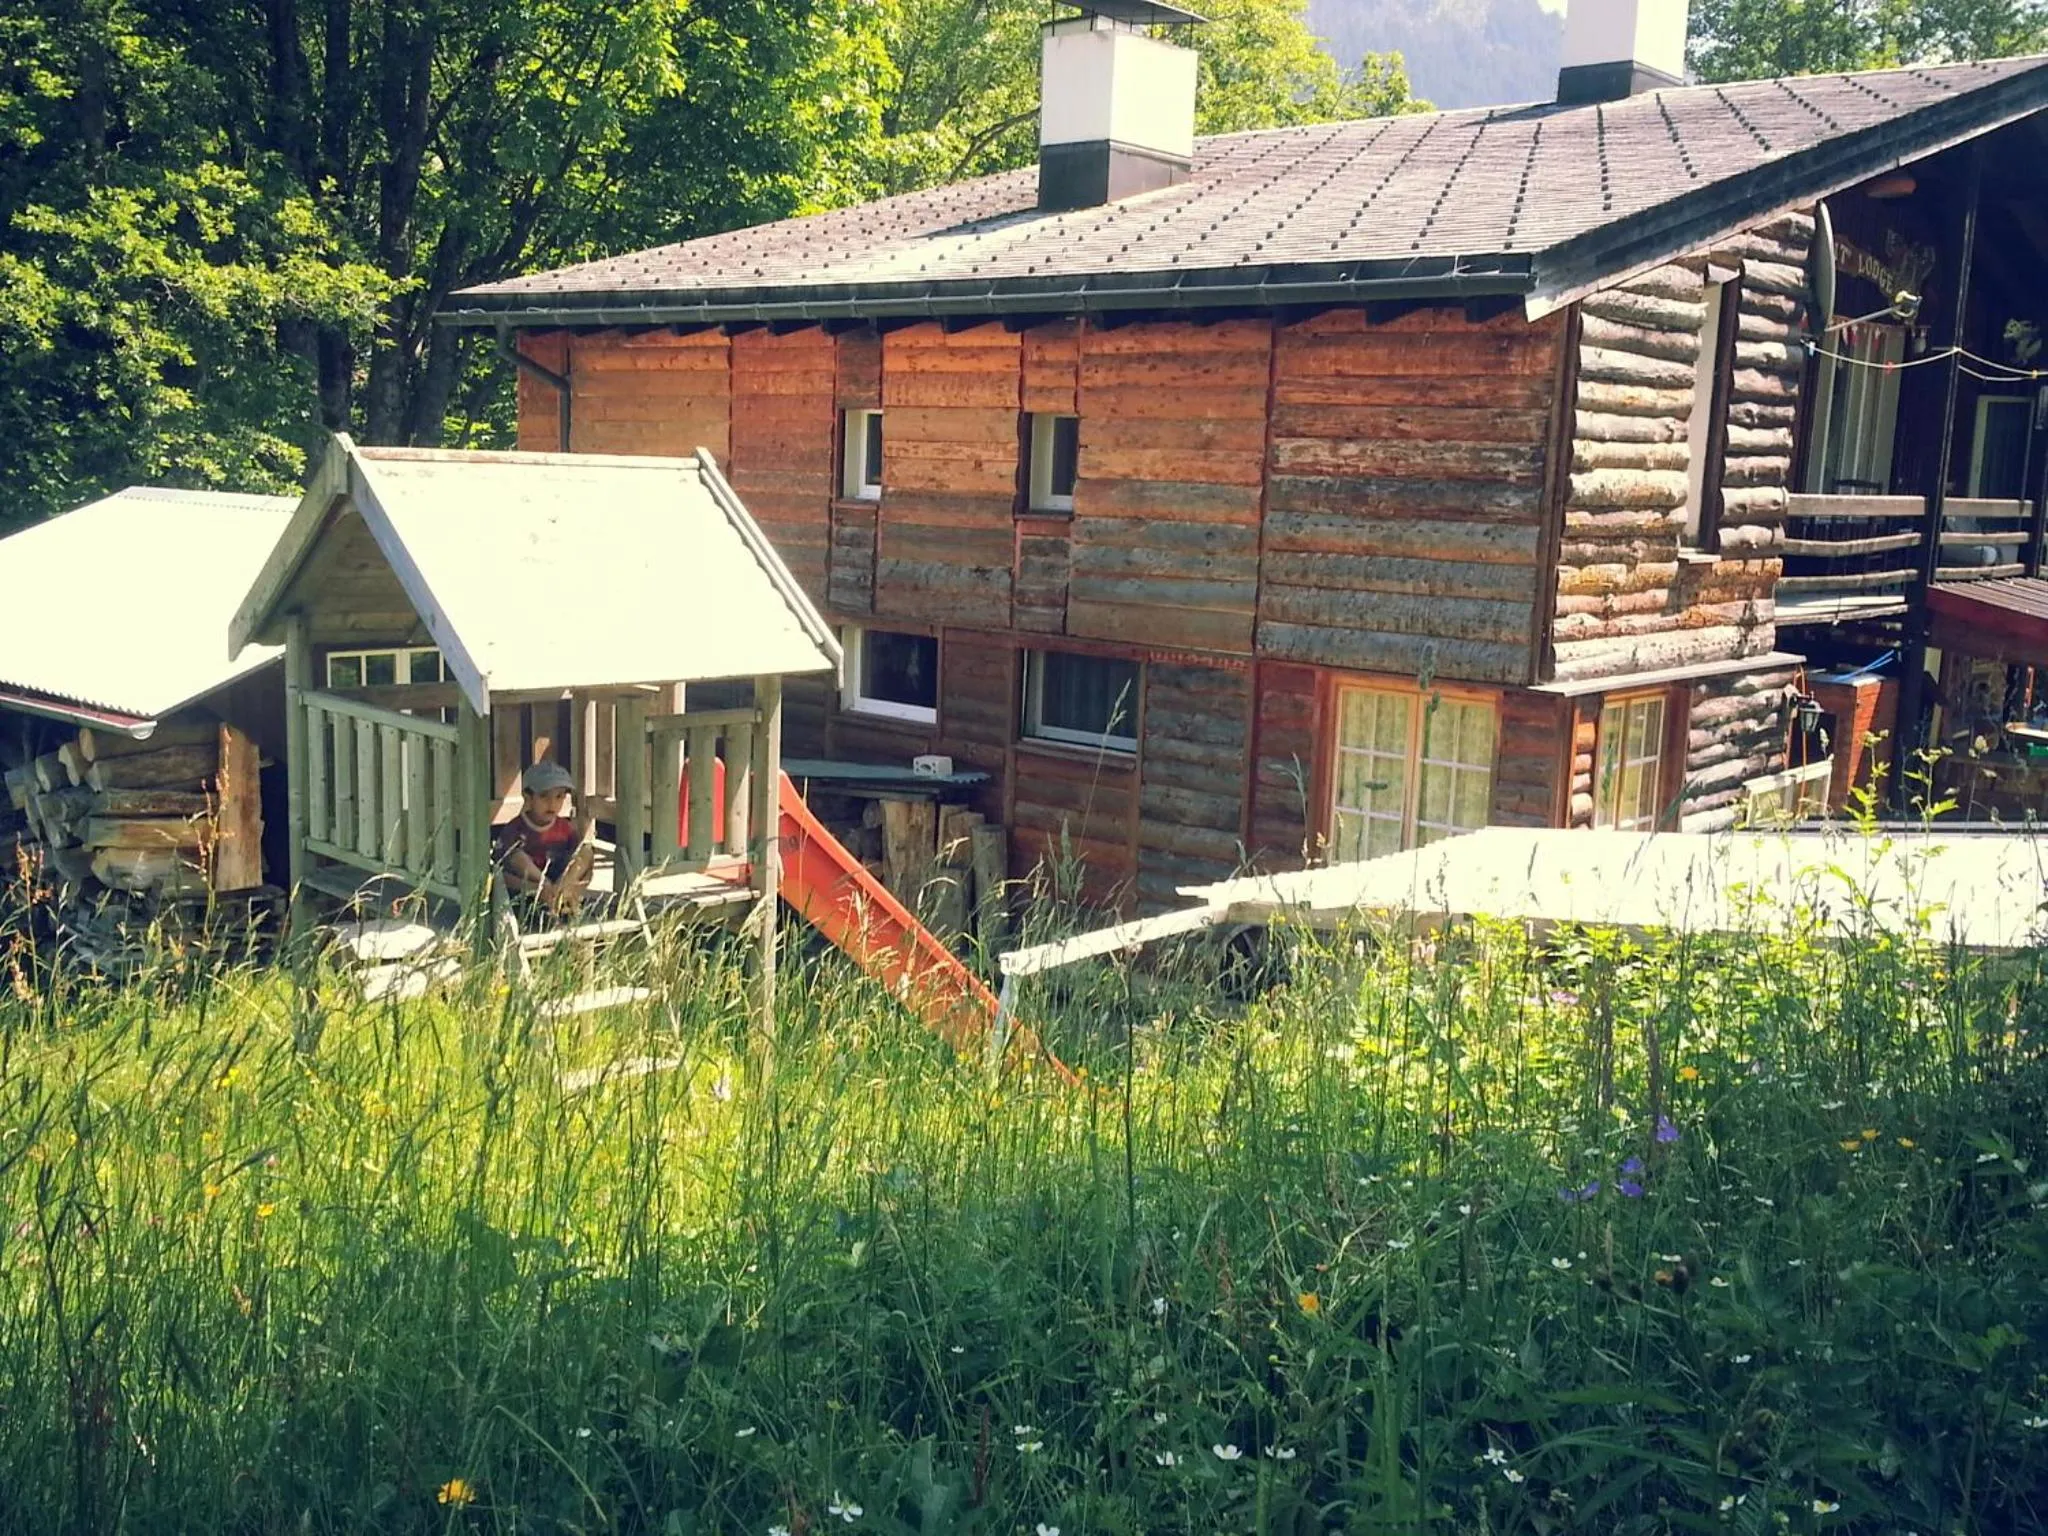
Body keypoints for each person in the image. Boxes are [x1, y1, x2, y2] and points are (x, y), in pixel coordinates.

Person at [494, 761, 594, 918]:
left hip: (559, 883)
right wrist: (537, 888)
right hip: (529, 888)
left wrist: (572, 887)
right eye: (543, 796)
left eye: (559, 796)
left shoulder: (565, 828)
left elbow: (586, 869)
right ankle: (546, 889)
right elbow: (501, 875)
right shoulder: (515, 829)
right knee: (516, 856)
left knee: (585, 852)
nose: (552, 803)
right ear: (528, 797)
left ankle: (563, 894)